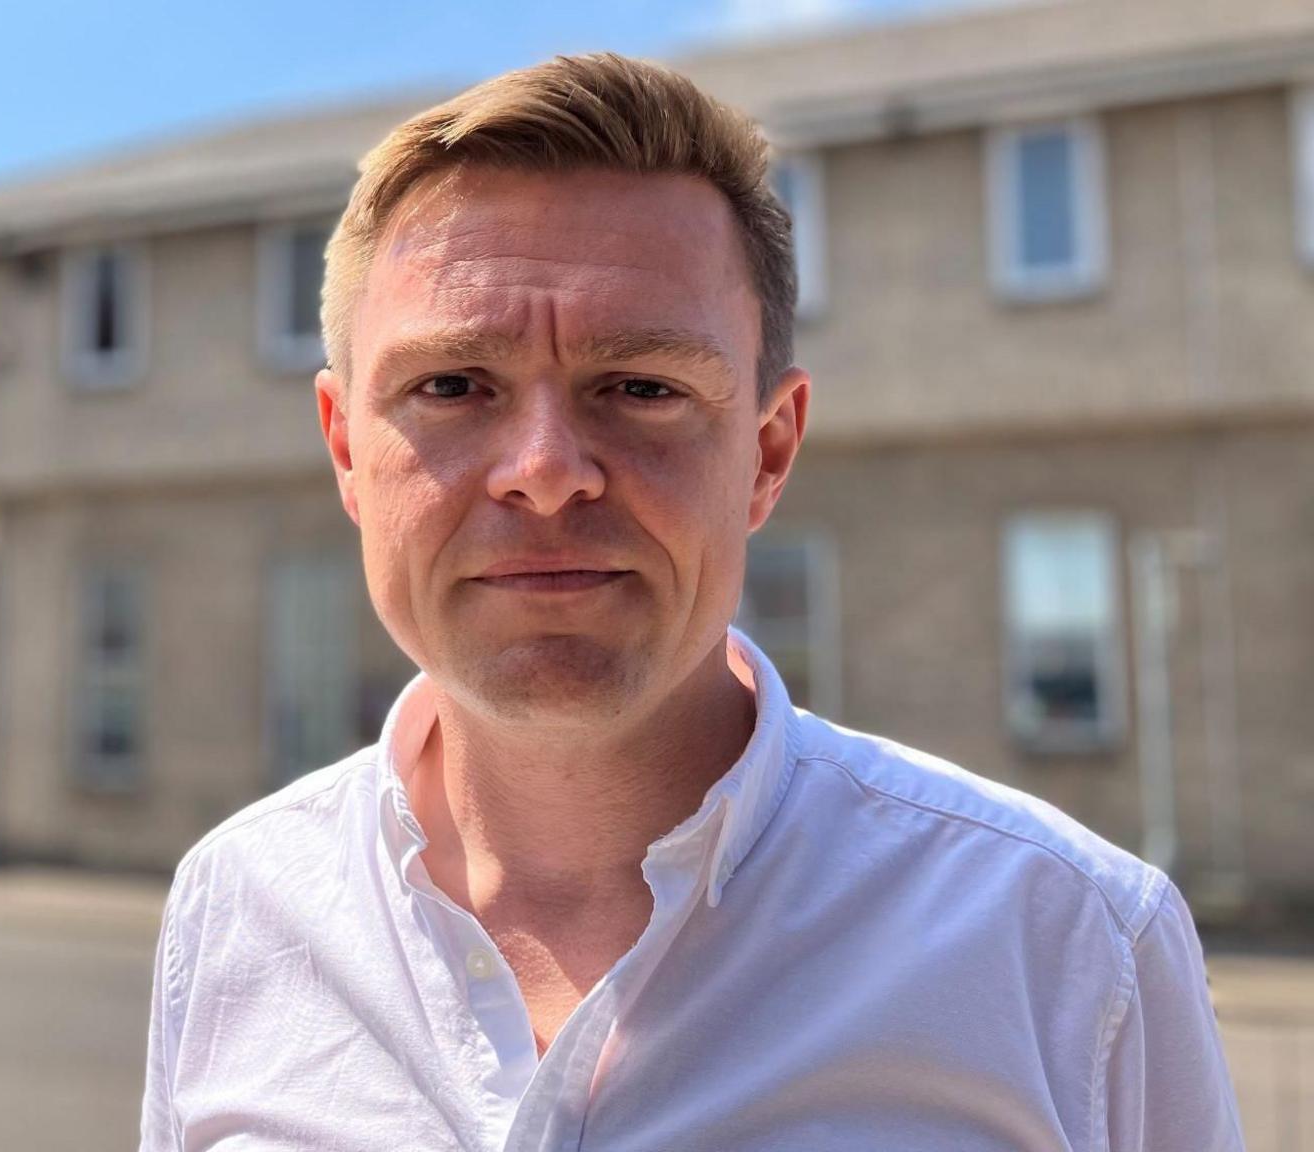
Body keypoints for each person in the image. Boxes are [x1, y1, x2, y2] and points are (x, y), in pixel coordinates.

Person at [138, 53, 1243, 1150]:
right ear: (344, 449)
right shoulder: (237, 906)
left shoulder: (1068, 945)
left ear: (767, 453)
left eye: (640, 388)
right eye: (450, 386)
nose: (544, 468)